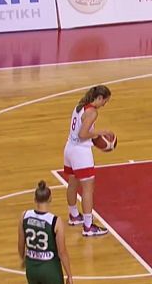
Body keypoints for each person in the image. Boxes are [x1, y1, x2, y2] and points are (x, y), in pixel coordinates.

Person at [64, 85, 112, 236]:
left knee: (72, 184)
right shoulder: (92, 112)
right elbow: (83, 133)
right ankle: (88, 226)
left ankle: (73, 215)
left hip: (69, 149)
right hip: (81, 152)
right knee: (87, 189)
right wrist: (100, 132)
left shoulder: (79, 106)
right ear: (99, 98)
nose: (105, 104)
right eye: (105, 100)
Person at [18, 181, 74, 284]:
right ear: (50, 199)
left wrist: (23, 259)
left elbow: (21, 244)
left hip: (31, 267)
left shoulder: (24, 215)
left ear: (35, 199)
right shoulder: (55, 221)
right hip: (50, 269)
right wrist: (69, 275)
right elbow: (62, 252)